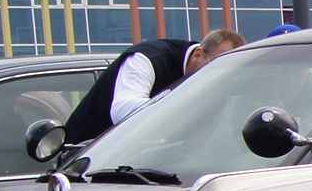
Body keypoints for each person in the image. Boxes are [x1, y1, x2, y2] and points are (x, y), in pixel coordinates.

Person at [62, 27, 243, 143]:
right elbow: (123, 110)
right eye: (216, 68)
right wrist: (182, 111)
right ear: (198, 54)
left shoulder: (209, 78)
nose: (218, 78)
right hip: (84, 159)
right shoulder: (147, 59)